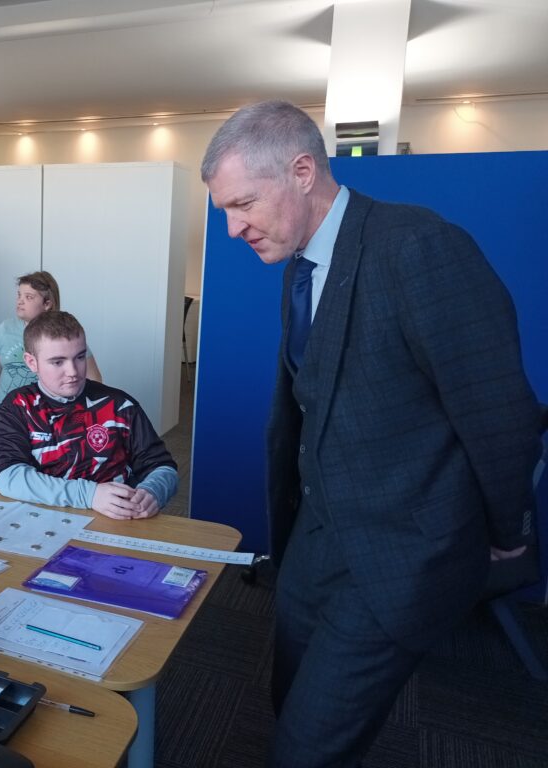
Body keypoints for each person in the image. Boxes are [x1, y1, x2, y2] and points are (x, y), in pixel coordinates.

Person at [200, 100, 542, 767]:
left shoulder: (419, 247)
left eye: (242, 204)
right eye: (225, 214)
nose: (234, 229)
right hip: (316, 542)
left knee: (307, 749)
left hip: (400, 555)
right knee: (287, 699)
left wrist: (507, 535)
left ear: (302, 171)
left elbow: (500, 413)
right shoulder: (300, 265)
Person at [0, 310, 178, 519]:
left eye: (80, 357)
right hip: (41, 520)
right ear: (31, 362)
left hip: (115, 521)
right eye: (57, 362)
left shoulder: (119, 405)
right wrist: (89, 495)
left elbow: (163, 467)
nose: (73, 371)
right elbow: (8, 477)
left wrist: (153, 492)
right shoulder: (18, 406)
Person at [0, 271, 102, 476]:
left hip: (47, 411)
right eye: (19, 295)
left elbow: (94, 379)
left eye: (28, 297)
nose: (20, 302)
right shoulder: (5, 329)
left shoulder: (63, 333)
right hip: (4, 408)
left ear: (47, 303)